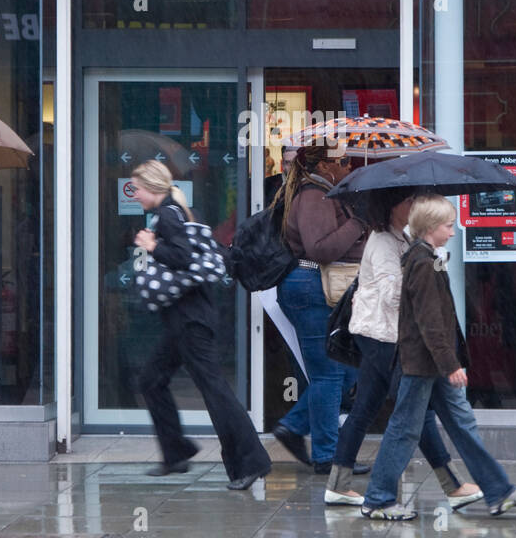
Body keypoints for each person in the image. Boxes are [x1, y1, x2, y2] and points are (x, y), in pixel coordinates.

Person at [361, 194, 516, 520]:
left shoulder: (428, 257)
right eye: (448, 225)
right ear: (430, 227)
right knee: (405, 430)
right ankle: (378, 499)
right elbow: (431, 322)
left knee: (462, 424)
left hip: (430, 362)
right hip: (423, 363)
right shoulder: (422, 263)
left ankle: (498, 492)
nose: (454, 231)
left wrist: (441, 258)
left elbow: (438, 310)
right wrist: (451, 365)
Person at [323, 190, 483, 509]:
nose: (414, 206)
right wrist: (423, 289)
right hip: (382, 336)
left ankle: (337, 484)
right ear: (392, 206)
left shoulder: (400, 237)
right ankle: (450, 484)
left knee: (366, 408)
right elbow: (392, 295)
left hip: (383, 334)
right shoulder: (383, 241)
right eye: (408, 202)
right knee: (416, 408)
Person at [131, 161, 272, 490]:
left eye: (137, 188)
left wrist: (152, 246)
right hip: (185, 320)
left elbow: (181, 256)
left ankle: (252, 462)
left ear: (152, 187)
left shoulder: (167, 214)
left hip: (190, 321)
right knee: (152, 379)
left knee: (215, 391)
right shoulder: (177, 210)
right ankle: (175, 452)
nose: (134, 194)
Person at [270, 141, 371, 474]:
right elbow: (321, 248)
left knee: (347, 367)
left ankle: (296, 425)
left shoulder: (323, 192)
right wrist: (358, 222)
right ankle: (328, 457)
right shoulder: (314, 195)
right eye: (342, 160)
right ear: (325, 166)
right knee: (329, 373)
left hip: (317, 289)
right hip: (311, 288)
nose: (348, 165)